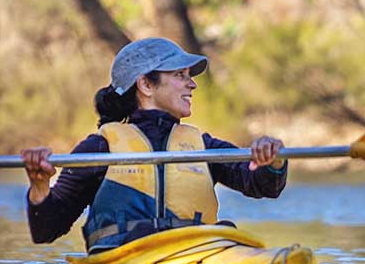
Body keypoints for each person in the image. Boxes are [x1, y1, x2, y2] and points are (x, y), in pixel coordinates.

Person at [21, 37, 289, 252]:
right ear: (146, 84)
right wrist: (40, 186)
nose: (192, 84)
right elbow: (46, 230)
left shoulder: (204, 146)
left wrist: (272, 160)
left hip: (194, 261)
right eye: (180, 75)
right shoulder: (100, 149)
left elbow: (262, 184)